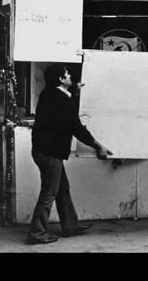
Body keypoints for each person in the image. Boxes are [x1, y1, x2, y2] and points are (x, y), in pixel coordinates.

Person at [26, 64, 113, 245]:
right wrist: (98, 146)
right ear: (60, 79)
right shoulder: (61, 99)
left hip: (43, 150)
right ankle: (36, 233)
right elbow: (76, 127)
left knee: (62, 188)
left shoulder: (49, 94)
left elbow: (64, 104)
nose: (70, 76)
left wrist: (73, 90)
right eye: (67, 74)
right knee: (49, 192)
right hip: (50, 153)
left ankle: (70, 225)